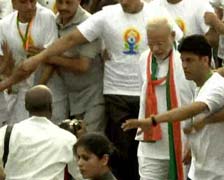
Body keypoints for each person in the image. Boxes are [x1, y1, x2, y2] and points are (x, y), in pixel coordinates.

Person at [0, 1, 183, 179]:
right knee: (120, 153)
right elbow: (71, 39)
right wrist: (40, 57)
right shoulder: (105, 15)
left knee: (152, 150)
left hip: (147, 96)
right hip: (116, 95)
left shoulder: (157, 15)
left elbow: (181, 44)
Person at [122, 34, 224, 180]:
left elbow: (191, 110)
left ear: (205, 60)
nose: (184, 66)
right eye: (182, 60)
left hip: (219, 175)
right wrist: (190, 145)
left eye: (190, 60)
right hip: (199, 173)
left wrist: (152, 120)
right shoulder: (200, 86)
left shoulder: (216, 87)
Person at [132, 17, 192, 180]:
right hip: (150, 146)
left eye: (160, 43)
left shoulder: (185, 61)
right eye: (151, 44)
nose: (155, 49)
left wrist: (192, 143)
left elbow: (195, 103)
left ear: (172, 36)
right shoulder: (144, 58)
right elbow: (142, 95)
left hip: (180, 144)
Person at [0, 0, 66, 124]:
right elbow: (4, 62)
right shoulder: (4, 25)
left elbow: (52, 58)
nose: (30, 7)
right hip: (20, 93)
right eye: (24, 2)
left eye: (32, 1)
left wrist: (37, 90)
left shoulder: (47, 17)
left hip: (48, 90)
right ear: (14, 4)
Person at [44, 0, 105, 132]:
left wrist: (50, 57)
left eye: (69, 3)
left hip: (92, 96)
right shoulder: (54, 21)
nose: (63, 7)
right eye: (60, 2)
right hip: (70, 97)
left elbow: (83, 66)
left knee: (89, 142)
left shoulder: (89, 24)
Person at [0, 85, 82, 179]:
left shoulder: (6, 132)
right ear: (51, 107)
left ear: (26, 106)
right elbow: (80, 175)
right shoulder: (67, 138)